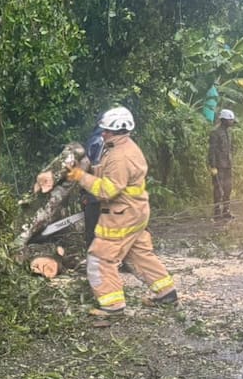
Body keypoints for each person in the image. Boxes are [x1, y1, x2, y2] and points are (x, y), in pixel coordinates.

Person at [65, 106, 177, 316]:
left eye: (107, 130)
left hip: (121, 214)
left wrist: (81, 177)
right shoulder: (123, 148)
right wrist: (85, 171)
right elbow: (110, 173)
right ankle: (166, 294)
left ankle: (111, 305)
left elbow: (107, 190)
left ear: (117, 131)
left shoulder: (120, 156)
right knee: (139, 255)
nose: (103, 133)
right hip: (135, 211)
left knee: (100, 257)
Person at [208, 108, 237, 221]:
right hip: (219, 166)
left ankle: (226, 210)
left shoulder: (228, 132)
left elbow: (230, 149)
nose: (231, 123)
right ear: (224, 120)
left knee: (228, 188)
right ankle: (217, 212)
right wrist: (213, 166)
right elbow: (212, 151)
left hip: (228, 165)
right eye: (230, 120)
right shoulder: (215, 132)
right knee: (218, 189)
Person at [81, 123, 106, 248]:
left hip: (95, 194)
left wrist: (84, 193)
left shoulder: (95, 140)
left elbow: (89, 168)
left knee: (93, 230)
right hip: (103, 194)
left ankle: (95, 261)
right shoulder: (101, 141)